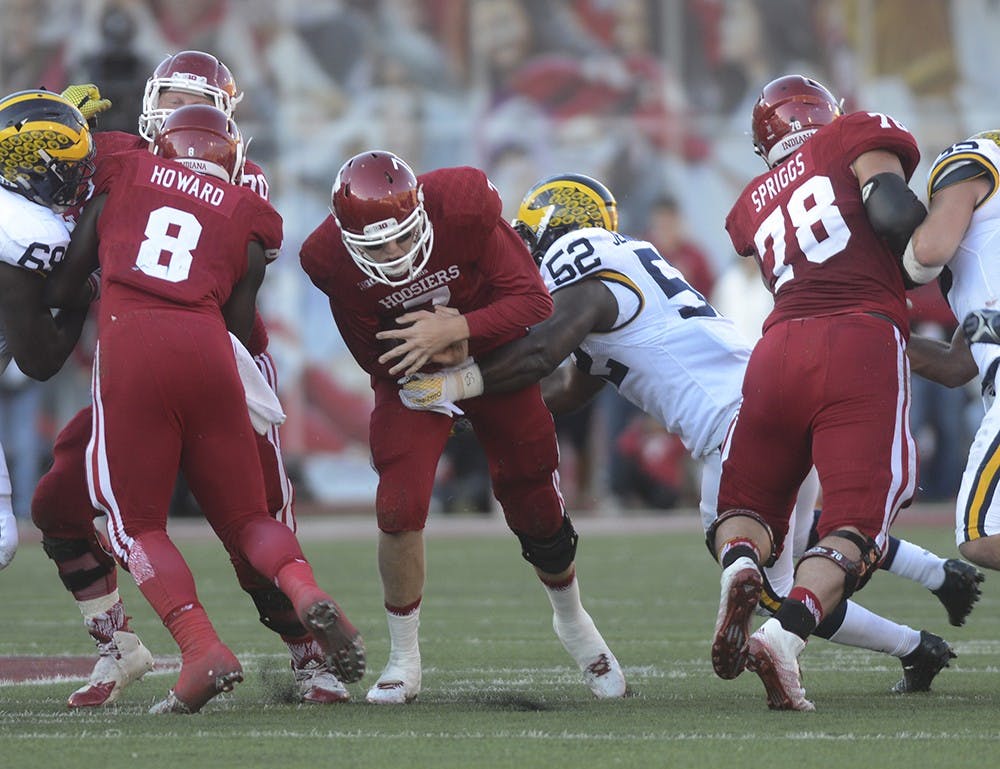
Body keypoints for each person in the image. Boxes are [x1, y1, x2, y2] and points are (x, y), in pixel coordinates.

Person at [398, 172, 972, 696]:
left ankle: (905, 641)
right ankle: (932, 593)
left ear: (548, 227)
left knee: (773, 581)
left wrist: (451, 386)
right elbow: (568, 389)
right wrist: (472, 417)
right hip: (777, 394)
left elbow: (542, 350)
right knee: (820, 542)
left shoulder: (577, 262)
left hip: (733, 424)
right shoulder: (631, 261)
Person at [34, 52, 349, 708]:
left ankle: (302, 655)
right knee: (63, 503)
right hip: (210, 349)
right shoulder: (240, 196)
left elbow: (69, 204)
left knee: (151, 518)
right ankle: (118, 645)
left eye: (189, 100)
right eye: (170, 95)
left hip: (175, 357)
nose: (176, 109)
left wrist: (56, 117)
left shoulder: (128, 162)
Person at [299, 150, 626, 705]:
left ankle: (573, 621)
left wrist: (461, 331)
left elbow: (532, 300)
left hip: (494, 354)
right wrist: (429, 360)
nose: (397, 255)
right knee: (398, 504)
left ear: (423, 214)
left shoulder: (465, 206)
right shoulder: (327, 258)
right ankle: (403, 657)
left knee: (533, 494)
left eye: (403, 238)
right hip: (412, 377)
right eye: (377, 247)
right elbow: (373, 359)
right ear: (349, 242)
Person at [708, 73, 931, 710]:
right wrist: (929, 257)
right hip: (858, 335)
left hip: (777, 348)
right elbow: (890, 208)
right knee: (854, 522)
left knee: (748, 499)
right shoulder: (851, 135)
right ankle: (786, 634)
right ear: (825, 113)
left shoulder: (749, 202)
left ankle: (742, 563)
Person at [0, 89, 96, 572]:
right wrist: (88, 292)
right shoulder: (21, 235)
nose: (78, 179)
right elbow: (41, 361)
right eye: (67, 168)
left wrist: (60, 115)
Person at [904, 129, 1000, 572]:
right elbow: (957, 364)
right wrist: (878, 331)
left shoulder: (973, 157)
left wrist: (888, 255)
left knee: (981, 534)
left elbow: (930, 249)